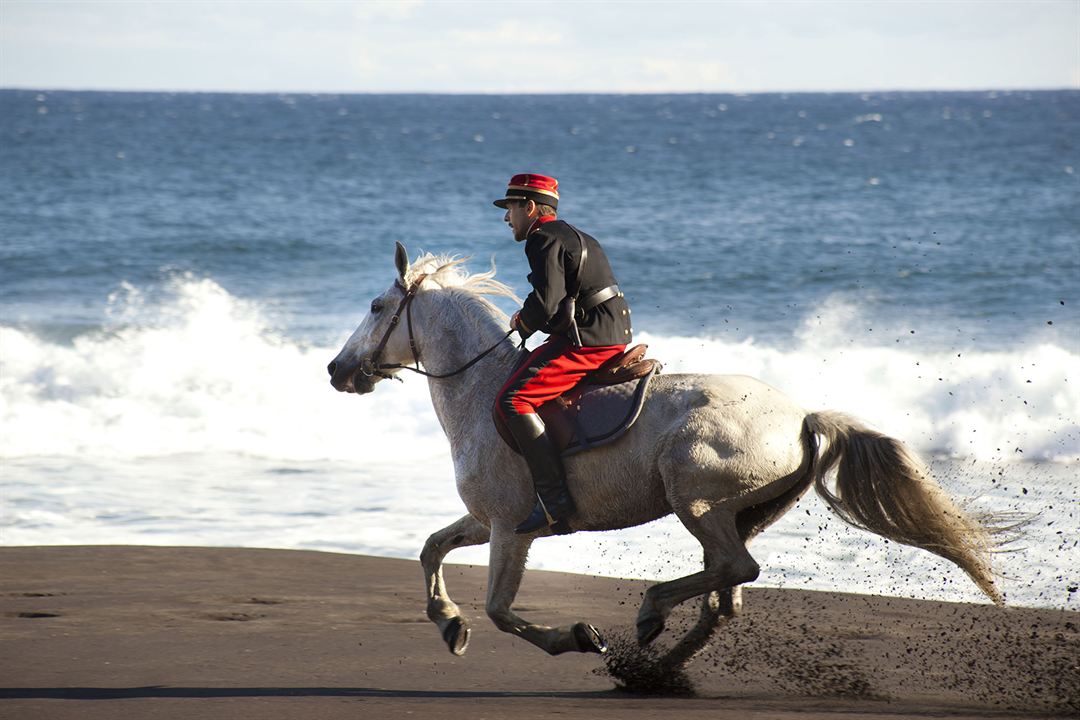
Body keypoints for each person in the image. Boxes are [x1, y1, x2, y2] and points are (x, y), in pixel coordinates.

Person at [493, 173, 632, 534]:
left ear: (530, 207)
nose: (507, 218)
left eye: (510, 208)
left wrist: (522, 322)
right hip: (606, 330)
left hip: (589, 339)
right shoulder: (576, 235)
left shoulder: (541, 239)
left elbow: (546, 301)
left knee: (513, 402)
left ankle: (554, 504)